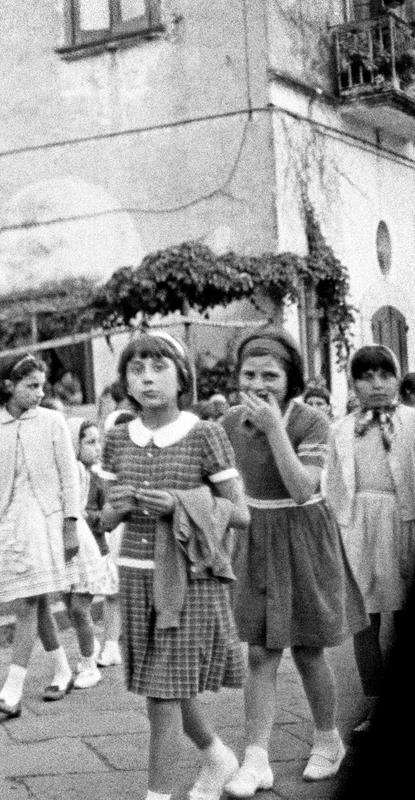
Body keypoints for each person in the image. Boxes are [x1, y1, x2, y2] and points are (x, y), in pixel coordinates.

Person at [96, 331, 249, 800]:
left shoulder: (206, 434)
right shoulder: (118, 438)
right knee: (162, 688)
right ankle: (217, 755)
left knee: (163, 696)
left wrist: (180, 505)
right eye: (137, 370)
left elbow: (239, 512)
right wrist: (115, 510)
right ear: (125, 380)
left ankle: (158, 795)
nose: (147, 379)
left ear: (183, 377)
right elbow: (100, 519)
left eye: (159, 368)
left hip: (188, 581)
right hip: (136, 577)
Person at [219, 329, 365, 796]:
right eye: (249, 374)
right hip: (256, 536)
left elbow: (303, 487)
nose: (259, 384)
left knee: (307, 648)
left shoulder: (312, 422)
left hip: (304, 534)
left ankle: (328, 740)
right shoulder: (226, 424)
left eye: (271, 375)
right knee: (259, 652)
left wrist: (275, 428)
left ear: (290, 378)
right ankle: (256, 757)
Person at [0, 355, 107, 719]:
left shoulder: (53, 423)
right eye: (30, 386)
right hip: (12, 526)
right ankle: (62, 669)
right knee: (31, 602)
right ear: (7, 386)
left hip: (50, 522)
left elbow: (69, 477)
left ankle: (11, 690)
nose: (39, 393)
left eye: (41, 385)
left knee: (29, 604)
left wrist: (69, 525)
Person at [324, 344, 415, 741]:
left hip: (405, 520)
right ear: (353, 382)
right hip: (358, 525)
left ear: (398, 378)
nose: (377, 384)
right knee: (366, 619)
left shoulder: (412, 423)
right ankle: (374, 705)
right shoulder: (341, 429)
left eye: (385, 374)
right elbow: (332, 485)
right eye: (366, 376)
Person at [75, 418, 125, 668]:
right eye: (90, 442)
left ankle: (110, 645)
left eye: (98, 442)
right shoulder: (75, 475)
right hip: (79, 547)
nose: (97, 448)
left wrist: (89, 517)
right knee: (77, 601)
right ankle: (93, 645)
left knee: (110, 594)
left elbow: (107, 514)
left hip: (99, 545)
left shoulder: (98, 478)